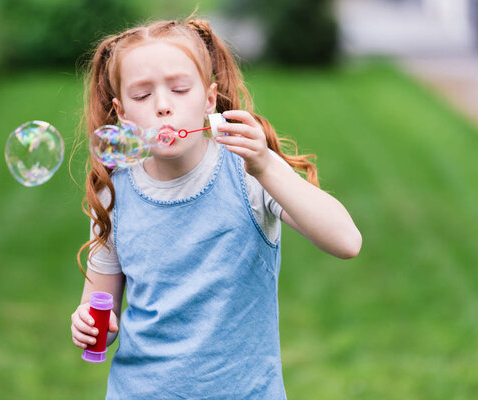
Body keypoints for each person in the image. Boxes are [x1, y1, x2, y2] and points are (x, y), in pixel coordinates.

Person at [70, 16, 362, 399]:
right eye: (142, 95)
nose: (162, 107)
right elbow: (98, 308)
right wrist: (89, 325)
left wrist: (267, 165)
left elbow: (346, 241)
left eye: (178, 89)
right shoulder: (114, 194)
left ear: (209, 99)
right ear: (122, 114)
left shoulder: (249, 173)